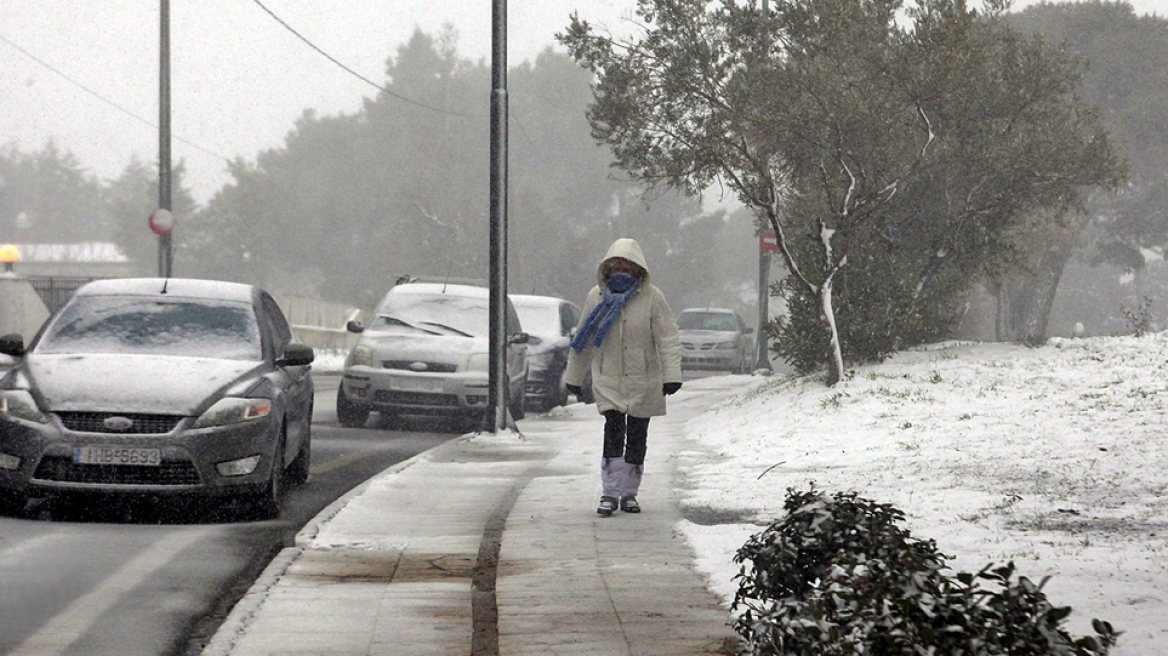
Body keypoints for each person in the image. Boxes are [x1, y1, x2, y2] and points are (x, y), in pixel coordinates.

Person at [564, 238, 682, 516]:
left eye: (627, 266)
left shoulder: (653, 297)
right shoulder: (596, 297)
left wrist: (671, 375)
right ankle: (610, 491)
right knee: (613, 431)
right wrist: (574, 376)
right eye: (616, 265)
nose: (621, 270)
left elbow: (668, 338)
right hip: (608, 378)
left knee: (638, 436)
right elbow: (583, 338)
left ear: (638, 269)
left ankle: (629, 493)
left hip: (644, 379)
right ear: (606, 267)